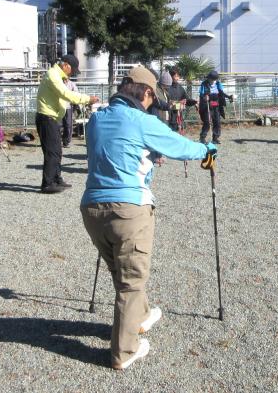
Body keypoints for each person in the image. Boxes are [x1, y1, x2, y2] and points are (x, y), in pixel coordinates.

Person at [80, 71, 216, 370]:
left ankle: (138, 318)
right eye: (153, 95)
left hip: (92, 207)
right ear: (144, 92)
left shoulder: (96, 120)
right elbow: (180, 146)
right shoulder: (143, 121)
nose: (153, 100)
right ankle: (124, 352)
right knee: (130, 282)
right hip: (129, 208)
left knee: (120, 269)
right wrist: (206, 149)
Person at [35, 55, 99, 194]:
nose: (72, 73)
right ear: (65, 65)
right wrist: (87, 99)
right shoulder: (53, 75)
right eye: (72, 69)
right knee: (52, 152)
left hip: (52, 117)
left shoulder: (58, 75)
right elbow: (65, 94)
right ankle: (47, 183)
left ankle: (56, 178)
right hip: (47, 117)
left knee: (57, 150)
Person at [198, 70, 233, 144]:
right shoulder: (204, 84)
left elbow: (222, 93)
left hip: (216, 105)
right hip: (207, 105)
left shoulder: (218, 84)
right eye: (210, 79)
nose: (211, 80)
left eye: (213, 79)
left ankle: (215, 138)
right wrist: (205, 97)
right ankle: (202, 137)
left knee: (217, 121)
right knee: (207, 122)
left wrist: (229, 97)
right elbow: (201, 94)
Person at [61, 77, 80, 148]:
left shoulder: (72, 84)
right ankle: (56, 140)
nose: (66, 79)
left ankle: (66, 141)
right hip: (59, 106)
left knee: (68, 124)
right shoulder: (59, 83)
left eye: (67, 78)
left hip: (68, 106)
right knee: (58, 124)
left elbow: (76, 93)